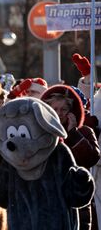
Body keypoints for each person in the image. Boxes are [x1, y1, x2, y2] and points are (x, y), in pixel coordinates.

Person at [41, 85, 100, 230]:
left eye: (63, 110)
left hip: (77, 201)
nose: (59, 114)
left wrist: (73, 133)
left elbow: (92, 158)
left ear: (71, 112)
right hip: (47, 201)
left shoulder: (84, 131)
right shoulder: (39, 135)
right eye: (54, 109)